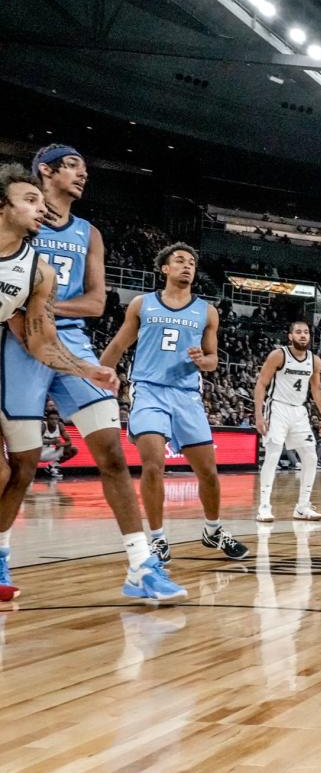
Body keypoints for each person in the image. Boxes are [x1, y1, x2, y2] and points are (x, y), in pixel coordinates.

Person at [0, 153, 186, 604]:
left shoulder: (86, 235)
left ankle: (141, 565)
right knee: (20, 468)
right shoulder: (18, 227)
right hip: (16, 343)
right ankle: (2, 554)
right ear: (44, 170)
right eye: (71, 164)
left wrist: (40, 312)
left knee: (113, 455)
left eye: (86, 167)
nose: (83, 173)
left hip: (63, 341)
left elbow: (96, 304)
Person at [100, 243, 248, 562]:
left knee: (208, 471)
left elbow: (213, 361)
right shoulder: (143, 304)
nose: (187, 266)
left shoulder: (207, 311)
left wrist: (202, 359)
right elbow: (118, 344)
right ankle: (157, 538)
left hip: (186, 395)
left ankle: (213, 529)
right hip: (149, 390)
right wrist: (97, 377)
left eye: (192, 262)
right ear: (164, 269)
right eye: (179, 260)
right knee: (154, 465)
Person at [253, 320, 321, 522]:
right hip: (277, 407)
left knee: (311, 457)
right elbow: (261, 383)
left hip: (299, 411)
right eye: (298, 332)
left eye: (306, 332)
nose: (303, 335)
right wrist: (259, 414)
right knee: (273, 454)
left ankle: (302, 506)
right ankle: (264, 506)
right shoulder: (279, 355)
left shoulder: (314, 361)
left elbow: (316, 389)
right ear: (290, 336)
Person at [39, 405, 78, 480]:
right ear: (47, 419)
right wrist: (51, 441)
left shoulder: (60, 426)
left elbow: (69, 442)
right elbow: (35, 441)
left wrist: (60, 444)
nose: (54, 421)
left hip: (49, 452)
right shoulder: (43, 426)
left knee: (73, 450)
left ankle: (52, 467)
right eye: (51, 419)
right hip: (37, 453)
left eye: (56, 419)